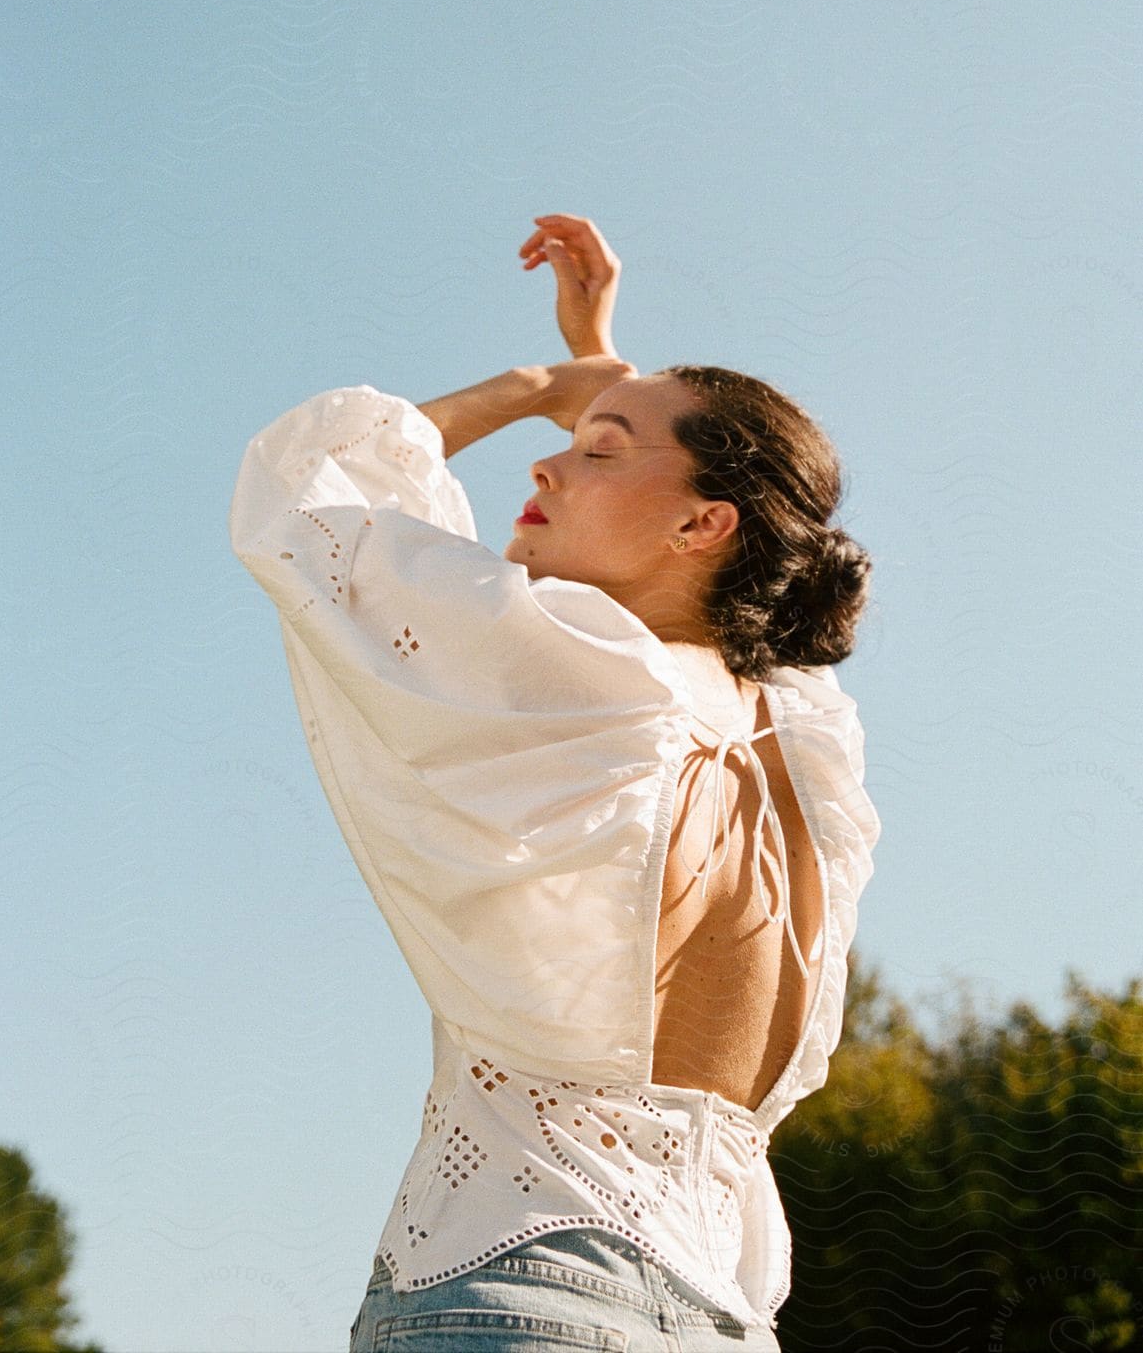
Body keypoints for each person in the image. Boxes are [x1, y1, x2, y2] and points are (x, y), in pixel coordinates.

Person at [228, 214, 881, 1350]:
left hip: (517, 1293)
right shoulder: (802, 744)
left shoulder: (581, 678)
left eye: (596, 448)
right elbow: (715, 528)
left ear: (702, 522)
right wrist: (612, 388)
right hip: (721, 1319)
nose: (546, 458)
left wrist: (537, 381)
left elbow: (311, 498)